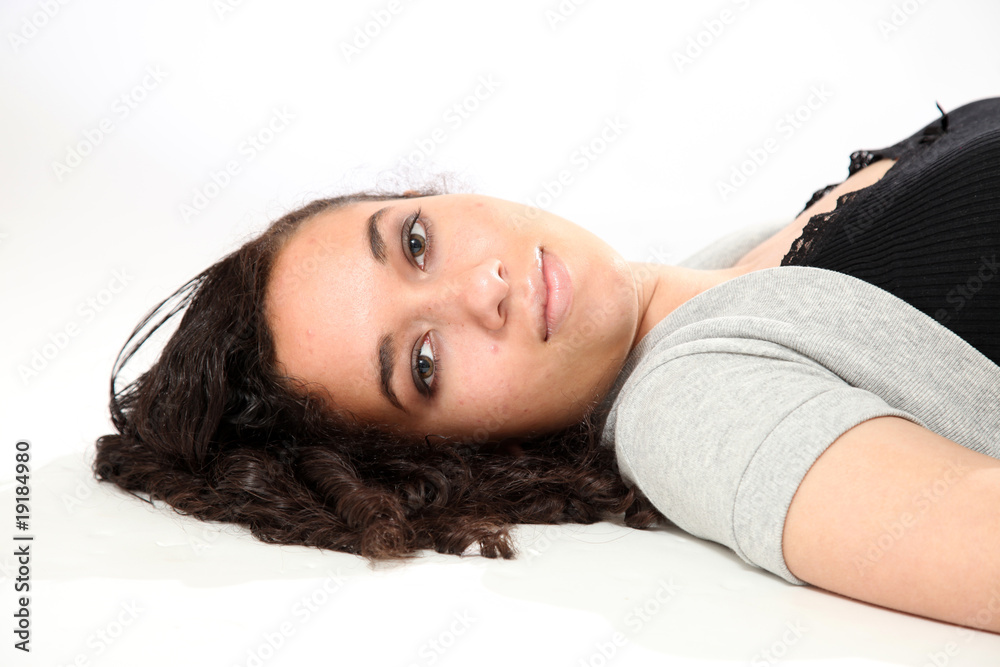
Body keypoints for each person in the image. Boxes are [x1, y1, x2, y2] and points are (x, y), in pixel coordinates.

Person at [94, 97, 1000, 634]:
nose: (479, 290)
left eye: (415, 242)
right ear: (452, 450)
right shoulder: (693, 408)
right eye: (423, 363)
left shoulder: (728, 263)